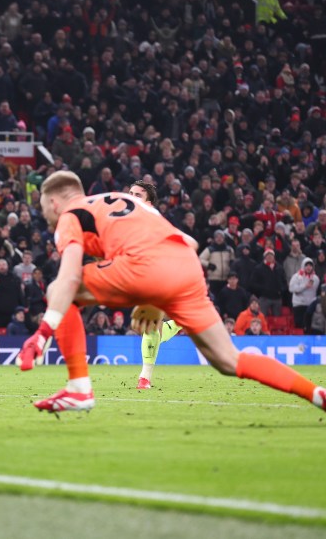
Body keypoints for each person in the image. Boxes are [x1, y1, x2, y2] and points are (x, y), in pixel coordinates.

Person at [18, 171, 326, 413]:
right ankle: (316, 394)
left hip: (145, 267)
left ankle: (78, 388)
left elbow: (70, 275)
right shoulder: (131, 204)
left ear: (54, 202)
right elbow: (190, 242)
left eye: (42, 206)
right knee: (228, 360)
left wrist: (43, 333)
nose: (43, 214)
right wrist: (155, 300)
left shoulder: (71, 214)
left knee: (61, 287)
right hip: (187, 270)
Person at [127, 180, 183, 389]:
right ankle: (176, 324)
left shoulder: (153, 220)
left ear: (149, 202)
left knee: (148, 323)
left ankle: (145, 378)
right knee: (152, 327)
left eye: (138, 194)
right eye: (130, 192)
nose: (131, 196)